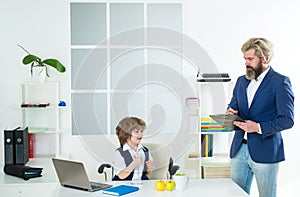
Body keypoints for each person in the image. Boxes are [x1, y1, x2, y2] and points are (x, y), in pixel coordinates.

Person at [226, 38, 294, 197]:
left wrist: (257, 127)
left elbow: (287, 119)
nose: (246, 63)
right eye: (244, 59)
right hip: (239, 149)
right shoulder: (241, 81)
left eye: (250, 59)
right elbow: (233, 105)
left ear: (264, 58)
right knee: (235, 194)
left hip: (266, 150)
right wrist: (230, 111)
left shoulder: (280, 82)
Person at [112, 117, 154, 181]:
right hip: (123, 185)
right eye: (136, 132)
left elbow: (147, 173)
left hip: (141, 184)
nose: (140, 135)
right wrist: (133, 165)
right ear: (126, 134)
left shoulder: (145, 151)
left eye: (141, 131)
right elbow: (121, 175)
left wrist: (149, 169)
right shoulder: (119, 152)